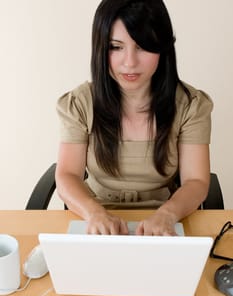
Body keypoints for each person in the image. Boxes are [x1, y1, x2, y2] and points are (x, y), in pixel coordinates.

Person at [55, 0, 212, 236]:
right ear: (101, 49)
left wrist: (167, 215)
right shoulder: (79, 103)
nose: (129, 62)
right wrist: (94, 213)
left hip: (163, 220)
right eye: (116, 47)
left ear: (162, 47)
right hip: (95, 218)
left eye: (142, 47)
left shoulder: (191, 106)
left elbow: (196, 181)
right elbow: (67, 174)